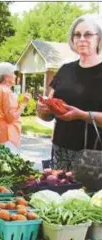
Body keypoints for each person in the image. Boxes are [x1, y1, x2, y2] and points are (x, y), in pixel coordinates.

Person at [37, 14, 102, 170]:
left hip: (94, 157)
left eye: (88, 34)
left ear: (99, 38)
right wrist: (42, 110)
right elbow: (47, 113)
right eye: (77, 35)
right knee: (60, 192)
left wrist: (83, 115)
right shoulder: (64, 70)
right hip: (61, 152)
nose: (81, 39)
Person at [0, 62, 31, 154]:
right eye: (13, 73)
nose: (15, 76)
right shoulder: (7, 92)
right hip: (7, 137)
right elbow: (11, 117)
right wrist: (24, 104)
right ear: (6, 77)